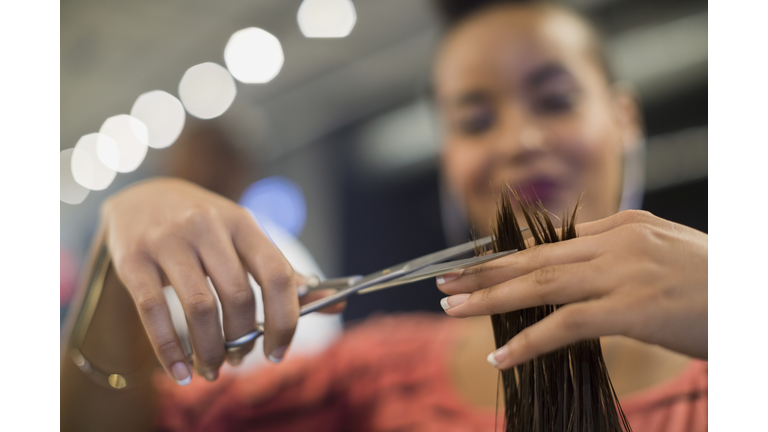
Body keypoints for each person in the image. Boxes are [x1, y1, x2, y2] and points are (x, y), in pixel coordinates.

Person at [60, 1, 707, 431]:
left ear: (624, 118)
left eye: (556, 100)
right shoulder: (375, 379)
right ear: (447, 154)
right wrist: (114, 263)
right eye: (476, 120)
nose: (520, 140)